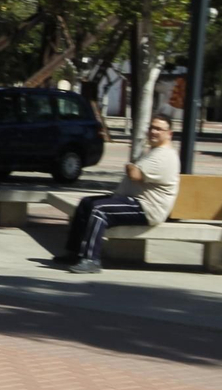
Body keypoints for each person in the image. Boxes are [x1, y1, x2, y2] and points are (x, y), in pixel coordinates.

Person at [56, 114, 180, 274]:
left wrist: (130, 165)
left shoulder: (164, 155)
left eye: (159, 129)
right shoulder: (155, 151)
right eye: (151, 127)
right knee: (86, 203)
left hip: (147, 208)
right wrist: (133, 167)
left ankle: (91, 259)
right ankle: (74, 252)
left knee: (98, 210)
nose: (153, 131)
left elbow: (135, 174)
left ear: (169, 133)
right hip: (134, 201)